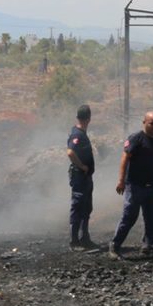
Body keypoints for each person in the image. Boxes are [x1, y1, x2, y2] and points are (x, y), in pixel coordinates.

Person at [110, 111, 153, 259]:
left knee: (152, 218)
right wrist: (121, 181)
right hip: (135, 186)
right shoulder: (136, 138)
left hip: (152, 187)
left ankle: (147, 246)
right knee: (129, 217)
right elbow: (125, 158)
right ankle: (115, 246)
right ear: (144, 123)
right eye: (152, 123)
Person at [67, 105, 97, 249]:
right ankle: (74, 241)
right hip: (80, 177)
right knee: (78, 207)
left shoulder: (81, 133)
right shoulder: (77, 135)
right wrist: (82, 166)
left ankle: (84, 237)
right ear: (88, 119)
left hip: (86, 178)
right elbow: (70, 153)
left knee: (86, 207)